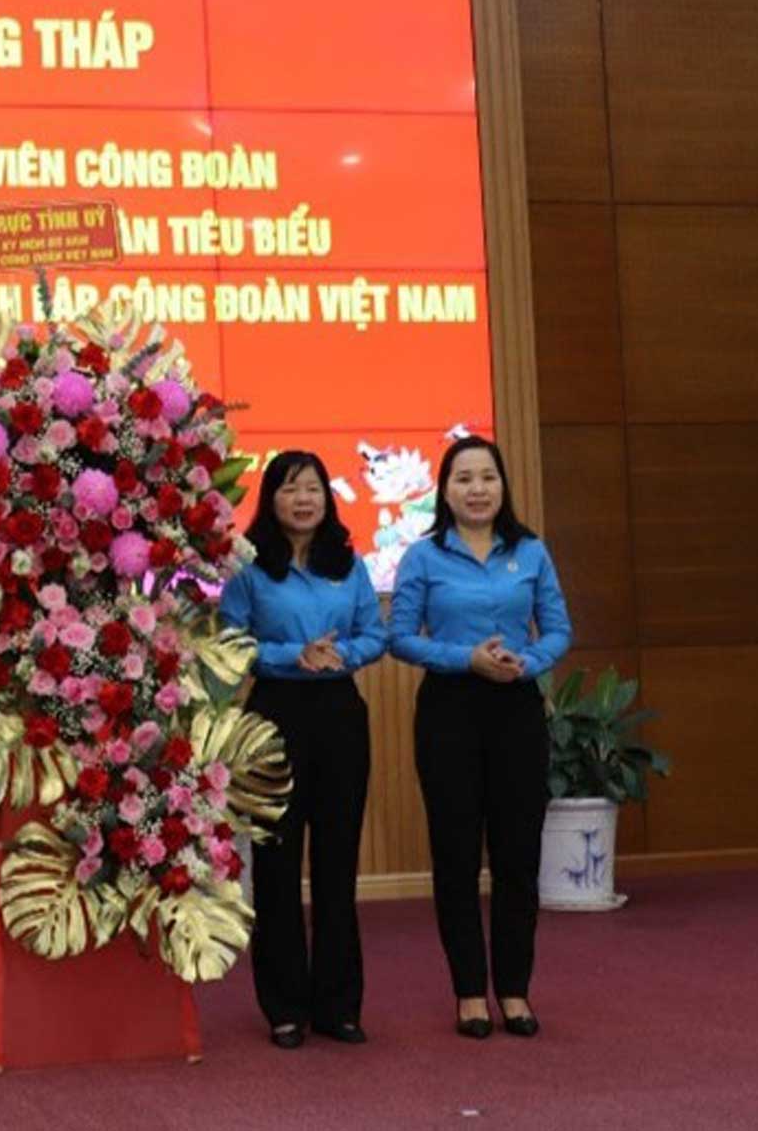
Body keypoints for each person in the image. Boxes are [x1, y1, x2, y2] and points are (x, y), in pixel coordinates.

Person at [387, 435, 570, 1040]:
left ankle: (514, 990)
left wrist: (528, 660)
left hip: (516, 707)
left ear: (502, 485)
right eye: (463, 478)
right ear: (444, 490)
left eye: (486, 477)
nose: (476, 489)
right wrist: (466, 658)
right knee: (457, 855)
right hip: (450, 711)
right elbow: (402, 637)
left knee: (518, 855)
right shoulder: (423, 556)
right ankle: (469, 991)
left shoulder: (531, 551)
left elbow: (560, 630)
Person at [220, 450, 388, 1050]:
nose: (303, 499)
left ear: (327, 497)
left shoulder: (350, 564)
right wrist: (293, 654)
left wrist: (344, 654)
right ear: (271, 499)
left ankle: (339, 1006)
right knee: (276, 865)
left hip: (340, 713)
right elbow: (230, 643)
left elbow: (376, 633)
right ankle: (285, 1006)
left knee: (338, 864)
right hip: (274, 716)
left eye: (313, 488)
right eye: (290, 489)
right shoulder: (248, 568)